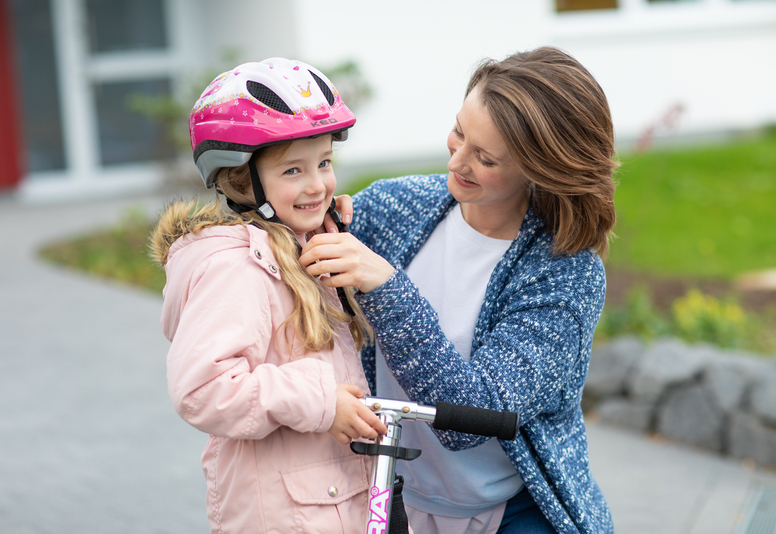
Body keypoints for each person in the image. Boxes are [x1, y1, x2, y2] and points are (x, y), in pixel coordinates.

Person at [300, 46, 617, 534]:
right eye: (459, 131)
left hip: (512, 512)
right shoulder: (392, 209)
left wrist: (387, 287)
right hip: (383, 495)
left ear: (540, 169)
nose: (458, 159)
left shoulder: (564, 272)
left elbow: (470, 416)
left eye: (485, 158)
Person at [150, 58, 388, 534]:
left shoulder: (301, 248)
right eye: (293, 170)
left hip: (332, 505)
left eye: (324, 163)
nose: (317, 185)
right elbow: (203, 389)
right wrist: (323, 401)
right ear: (241, 179)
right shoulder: (237, 268)